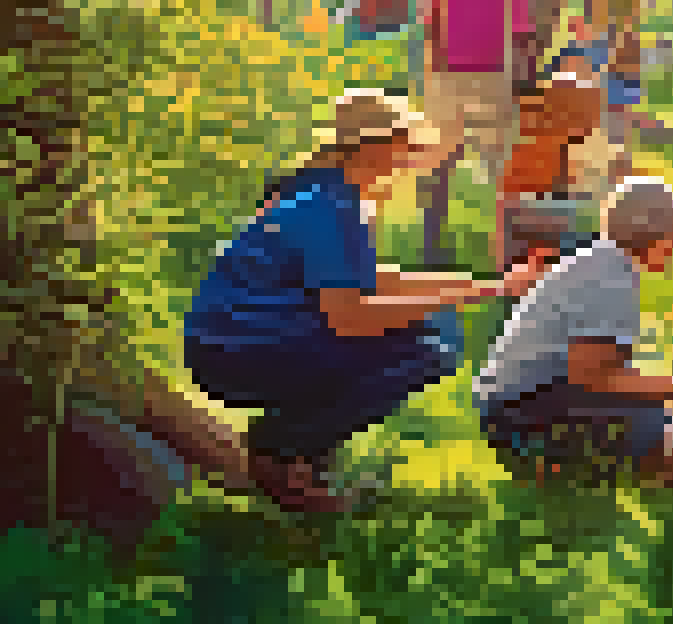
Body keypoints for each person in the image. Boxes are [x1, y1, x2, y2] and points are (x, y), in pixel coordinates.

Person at [184, 90, 517, 513]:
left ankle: (301, 458)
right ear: (373, 148)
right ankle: (280, 451)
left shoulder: (333, 195)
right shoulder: (326, 206)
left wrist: (492, 287)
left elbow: (377, 281)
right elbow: (349, 317)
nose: (410, 157)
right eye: (404, 144)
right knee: (429, 349)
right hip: (235, 348)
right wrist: (449, 302)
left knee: (431, 330)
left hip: (248, 337)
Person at [476, 179, 673, 489]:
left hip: (516, 402)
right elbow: (590, 377)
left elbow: (598, 368)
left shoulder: (601, 261)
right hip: (524, 412)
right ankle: (558, 464)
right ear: (657, 236)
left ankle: (571, 463)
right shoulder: (611, 279)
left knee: (666, 418)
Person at [420, 0, 536, 254]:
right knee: (502, 171)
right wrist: (526, 84)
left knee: (439, 169)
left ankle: (432, 248)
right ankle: (509, 251)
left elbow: (432, 45)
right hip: (493, 80)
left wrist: (433, 89)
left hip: (449, 83)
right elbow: (523, 41)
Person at [496, 72, 616, 272]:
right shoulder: (536, 151)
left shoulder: (560, 149)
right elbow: (522, 211)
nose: (593, 125)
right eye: (588, 116)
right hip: (527, 243)